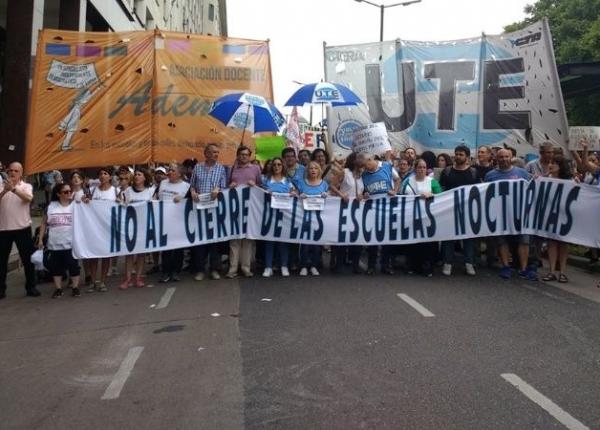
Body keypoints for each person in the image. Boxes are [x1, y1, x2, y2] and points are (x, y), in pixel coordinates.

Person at [484, 149, 536, 280]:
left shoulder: (522, 173)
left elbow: (531, 188)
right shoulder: (490, 175)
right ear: (496, 158)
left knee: (524, 240)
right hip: (500, 213)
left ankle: (523, 269)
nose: (504, 159)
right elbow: (485, 194)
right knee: (502, 241)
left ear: (511, 157)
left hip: (520, 212)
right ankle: (506, 266)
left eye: (506, 156)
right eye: (501, 157)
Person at [0, 162, 40, 299]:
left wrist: (14, 189)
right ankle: (1, 289)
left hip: (23, 229)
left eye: (16, 171)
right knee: (1, 261)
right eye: (10, 170)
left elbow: (29, 199)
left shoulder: (26, 186)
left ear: (21, 173)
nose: (12, 173)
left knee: (28, 260)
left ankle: (31, 287)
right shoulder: (1, 186)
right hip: (3, 229)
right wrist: (5, 190)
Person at [439, 145, 480, 276]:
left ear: (467, 157)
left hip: (468, 210)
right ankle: (447, 263)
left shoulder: (474, 172)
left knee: (468, 237)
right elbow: (442, 189)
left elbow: (478, 191)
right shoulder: (447, 171)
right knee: (448, 237)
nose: (458, 156)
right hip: (449, 210)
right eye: (456, 154)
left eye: (461, 154)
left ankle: (469, 263)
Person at [190, 144, 227, 281]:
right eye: (213, 152)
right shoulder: (198, 167)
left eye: (217, 152)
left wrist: (217, 189)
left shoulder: (221, 168)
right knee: (201, 240)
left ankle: (214, 269)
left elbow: (224, 185)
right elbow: (192, 185)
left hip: (215, 208)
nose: (216, 154)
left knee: (214, 241)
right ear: (206, 153)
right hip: (200, 208)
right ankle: (200, 270)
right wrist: (193, 192)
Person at [38, 183, 81, 298]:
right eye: (65, 192)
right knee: (56, 268)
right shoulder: (50, 207)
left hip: (70, 244)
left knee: (73, 266)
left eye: (69, 191)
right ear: (58, 194)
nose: (69, 193)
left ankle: (75, 287)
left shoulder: (75, 206)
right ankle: (58, 288)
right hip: (54, 244)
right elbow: (43, 223)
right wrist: (40, 239)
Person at [401, 158, 442, 277]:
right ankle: (412, 265)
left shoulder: (432, 181)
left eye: (424, 167)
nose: (422, 169)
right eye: (420, 167)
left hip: (427, 218)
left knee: (426, 244)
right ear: (415, 168)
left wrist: (432, 195)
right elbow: (401, 196)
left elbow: (441, 196)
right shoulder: (407, 181)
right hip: (411, 217)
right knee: (412, 243)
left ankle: (427, 266)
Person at [226, 146, 262, 279]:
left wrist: (255, 185)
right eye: (241, 154)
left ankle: (246, 267)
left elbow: (261, 187)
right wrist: (230, 187)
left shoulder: (256, 169)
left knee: (248, 239)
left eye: (246, 155)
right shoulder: (231, 169)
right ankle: (232, 268)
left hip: (250, 209)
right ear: (237, 155)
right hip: (235, 209)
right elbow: (225, 187)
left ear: (249, 156)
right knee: (234, 239)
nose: (243, 157)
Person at [362, 153, 400, 275]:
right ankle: (371, 266)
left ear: (371, 159)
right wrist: (365, 194)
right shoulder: (364, 174)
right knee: (373, 238)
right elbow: (362, 190)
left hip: (388, 207)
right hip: (373, 209)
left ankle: (386, 265)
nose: (365, 168)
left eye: (366, 165)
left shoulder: (386, 166)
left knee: (387, 239)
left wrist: (395, 190)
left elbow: (397, 179)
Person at [328, 152, 365, 274]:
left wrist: (362, 196)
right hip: (343, 208)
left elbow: (362, 191)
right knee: (343, 237)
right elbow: (332, 186)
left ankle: (355, 264)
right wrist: (341, 194)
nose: (363, 160)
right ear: (354, 160)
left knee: (356, 237)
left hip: (357, 210)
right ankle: (338, 264)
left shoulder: (362, 175)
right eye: (361, 158)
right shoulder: (344, 172)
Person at [83, 167, 118, 292]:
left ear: (110, 177)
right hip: (94, 228)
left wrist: (120, 202)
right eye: (100, 174)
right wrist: (85, 200)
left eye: (105, 173)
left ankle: (102, 281)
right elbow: (84, 203)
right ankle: (93, 281)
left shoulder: (115, 191)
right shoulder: (92, 190)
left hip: (107, 228)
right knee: (93, 256)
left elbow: (121, 206)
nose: (102, 176)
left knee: (105, 256)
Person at [120, 167, 154, 289]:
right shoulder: (128, 191)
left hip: (144, 226)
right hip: (130, 226)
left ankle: (138, 277)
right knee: (129, 253)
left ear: (145, 177)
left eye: (139, 174)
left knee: (141, 254)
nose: (136, 176)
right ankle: (127, 278)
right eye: (135, 174)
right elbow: (123, 205)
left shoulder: (150, 191)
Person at [542, 156, 574, 283]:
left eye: (554, 163)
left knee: (563, 243)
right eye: (550, 162)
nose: (550, 165)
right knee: (552, 242)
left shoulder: (570, 180)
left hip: (565, 214)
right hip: (551, 214)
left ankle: (562, 272)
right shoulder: (546, 179)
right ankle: (551, 271)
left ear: (561, 166)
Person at [261, 157, 294, 277]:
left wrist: (293, 193)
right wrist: (264, 191)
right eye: (274, 164)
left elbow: (294, 192)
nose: (276, 167)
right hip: (269, 214)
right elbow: (259, 193)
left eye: (279, 164)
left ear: (282, 166)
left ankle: (284, 266)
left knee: (283, 241)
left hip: (284, 215)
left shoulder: (287, 181)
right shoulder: (266, 180)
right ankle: (268, 267)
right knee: (269, 241)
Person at [158, 163, 190, 283]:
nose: (169, 172)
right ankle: (165, 271)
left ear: (180, 174)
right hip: (164, 220)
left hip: (178, 221)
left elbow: (190, 202)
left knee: (177, 248)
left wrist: (182, 199)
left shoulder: (186, 186)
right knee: (165, 248)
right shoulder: (163, 183)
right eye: (169, 170)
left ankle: (176, 271)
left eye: (172, 170)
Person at [296, 161, 329, 276]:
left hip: (319, 219)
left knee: (316, 244)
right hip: (305, 218)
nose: (313, 170)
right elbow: (295, 196)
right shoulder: (301, 183)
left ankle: (314, 266)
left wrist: (327, 195)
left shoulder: (324, 184)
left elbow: (329, 201)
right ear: (307, 171)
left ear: (319, 170)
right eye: (311, 168)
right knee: (304, 244)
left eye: (316, 168)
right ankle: (303, 266)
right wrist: (299, 196)